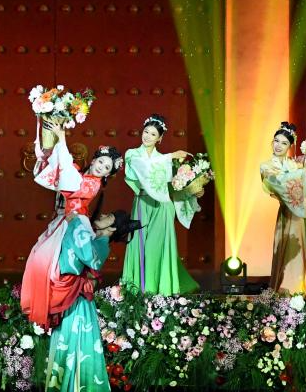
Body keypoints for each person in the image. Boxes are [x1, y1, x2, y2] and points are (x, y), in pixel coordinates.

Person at [22, 127, 122, 328]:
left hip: (76, 226)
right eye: (101, 162)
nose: (101, 167)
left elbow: (68, 177)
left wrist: (62, 138)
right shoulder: (78, 173)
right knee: (39, 258)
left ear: (107, 175)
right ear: (93, 160)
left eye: (106, 168)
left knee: (57, 266)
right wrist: (50, 150)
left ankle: (57, 309)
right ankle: (43, 306)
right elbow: (61, 170)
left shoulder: (93, 184)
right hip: (63, 222)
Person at [45, 210, 141, 392]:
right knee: (66, 342)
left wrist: (76, 222)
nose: (102, 215)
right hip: (71, 297)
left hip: (78, 301)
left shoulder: (101, 244)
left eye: (108, 217)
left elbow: (88, 256)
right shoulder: (91, 237)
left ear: (112, 228)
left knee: (76, 343)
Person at [121, 114, 202, 295]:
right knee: (140, 246)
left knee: (156, 246)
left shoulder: (164, 159)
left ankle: (161, 292)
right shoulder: (132, 154)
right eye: (146, 132)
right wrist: (170, 156)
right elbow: (144, 167)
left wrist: (192, 190)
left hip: (163, 206)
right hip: (142, 203)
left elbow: (171, 186)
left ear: (160, 138)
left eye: (153, 134)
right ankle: (138, 292)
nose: (147, 136)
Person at [260, 121, 306, 295]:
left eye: (284, 143)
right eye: (276, 141)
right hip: (288, 213)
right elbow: (278, 182)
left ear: (290, 146)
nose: (278, 145)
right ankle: (290, 293)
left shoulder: (295, 163)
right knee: (291, 251)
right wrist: (304, 171)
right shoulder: (267, 166)